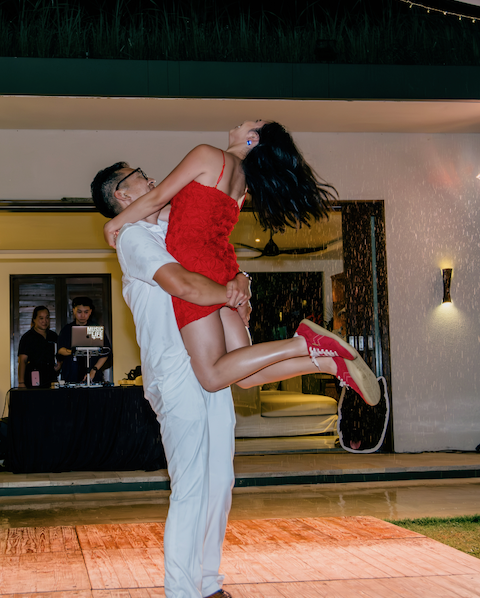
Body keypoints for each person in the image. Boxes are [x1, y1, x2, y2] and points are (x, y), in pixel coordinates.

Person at [91, 160, 257, 598]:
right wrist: (230, 293)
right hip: (176, 372)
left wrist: (239, 275)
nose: (151, 179)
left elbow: (215, 253)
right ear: (122, 196)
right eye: (138, 177)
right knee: (191, 488)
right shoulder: (133, 238)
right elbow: (184, 284)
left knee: (219, 479)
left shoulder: (170, 225)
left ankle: (207, 587)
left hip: (210, 361)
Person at [102, 122, 379, 404]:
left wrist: (114, 224)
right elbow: (176, 213)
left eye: (253, 122)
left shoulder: (206, 154)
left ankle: (303, 342)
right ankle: (329, 364)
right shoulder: (244, 181)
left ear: (252, 138)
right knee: (245, 376)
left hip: (196, 266)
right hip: (223, 267)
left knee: (211, 377)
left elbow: (157, 199)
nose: (243, 121)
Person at [55, 296, 111, 384]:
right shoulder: (67, 329)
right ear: (73, 310)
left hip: (94, 377)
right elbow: (60, 350)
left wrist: (94, 370)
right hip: (71, 376)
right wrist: (75, 352)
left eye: (86, 312)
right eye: (79, 312)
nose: (83, 315)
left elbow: (106, 353)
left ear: (90, 311)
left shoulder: (96, 329)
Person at [16, 305, 58, 388]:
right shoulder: (27, 337)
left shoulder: (53, 336)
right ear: (34, 319)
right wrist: (21, 382)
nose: (44, 321)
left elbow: (59, 354)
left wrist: (59, 364)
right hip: (33, 377)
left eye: (47, 318)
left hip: (51, 378)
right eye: (41, 318)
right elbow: (22, 361)